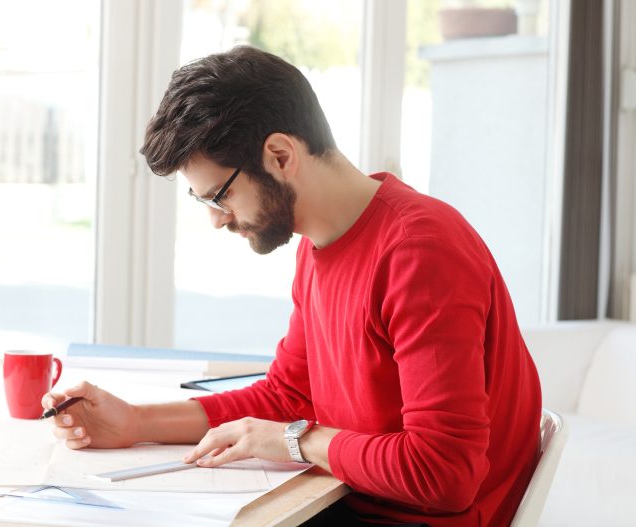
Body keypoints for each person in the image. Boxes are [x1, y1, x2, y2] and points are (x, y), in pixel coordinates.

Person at [43, 45, 542, 527]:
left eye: (220, 196)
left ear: (280, 155)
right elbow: (288, 396)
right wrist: (135, 423)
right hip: (353, 502)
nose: (219, 220)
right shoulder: (318, 244)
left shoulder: (419, 251)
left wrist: (292, 440)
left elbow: (443, 473)